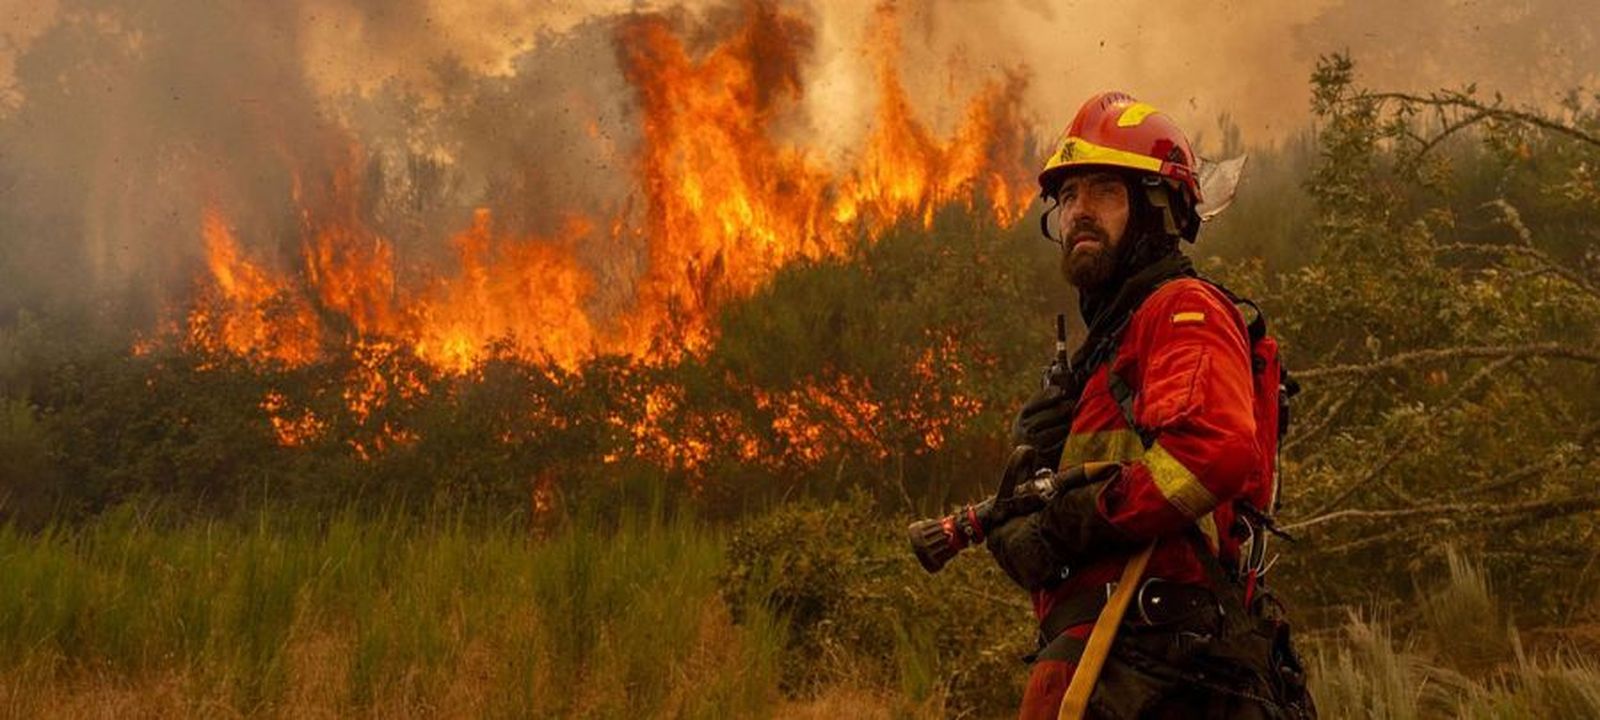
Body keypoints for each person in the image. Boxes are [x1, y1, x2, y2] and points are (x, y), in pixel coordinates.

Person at [987, 92, 1310, 719]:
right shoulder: (1108, 351)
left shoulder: (1181, 307)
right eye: (1069, 195)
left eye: (1104, 191)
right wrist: (1022, 507)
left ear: (1159, 208)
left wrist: (1075, 518)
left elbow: (1210, 453)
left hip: (1167, 674)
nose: (1079, 211)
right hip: (1107, 664)